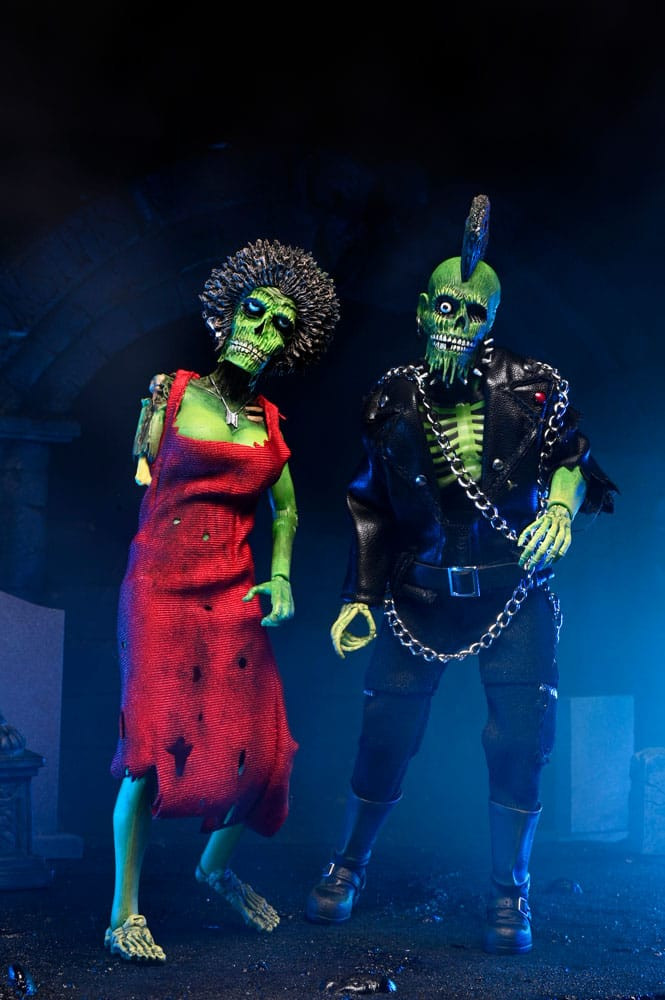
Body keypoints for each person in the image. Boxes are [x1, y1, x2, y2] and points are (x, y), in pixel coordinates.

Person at [305, 196, 617, 955]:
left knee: (520, 740)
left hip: (512, 595)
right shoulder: (390, 400)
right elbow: (370, 505)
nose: (457, 323)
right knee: (385, 731)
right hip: (418, 595)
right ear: (422, 311)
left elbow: (576, 461)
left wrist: (561, 509)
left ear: (491, 322)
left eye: (473, 312)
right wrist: (359, 597)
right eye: (445, 307)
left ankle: (510, 889)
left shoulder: (534, 387)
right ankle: (349, 863)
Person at [105, 238, 339, 962]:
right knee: (149, 749)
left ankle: (213, 869)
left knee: (262, 745)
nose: (261, 331)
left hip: (232, 592)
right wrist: (149, 424)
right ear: (228, 313)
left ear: (290, 347)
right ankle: (123, 915)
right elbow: (144, 474)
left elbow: (287, 509)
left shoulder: (269, 424)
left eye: (279, 326)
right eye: (253, 312)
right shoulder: (172, 392)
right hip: (159, 589)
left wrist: (282, 575)